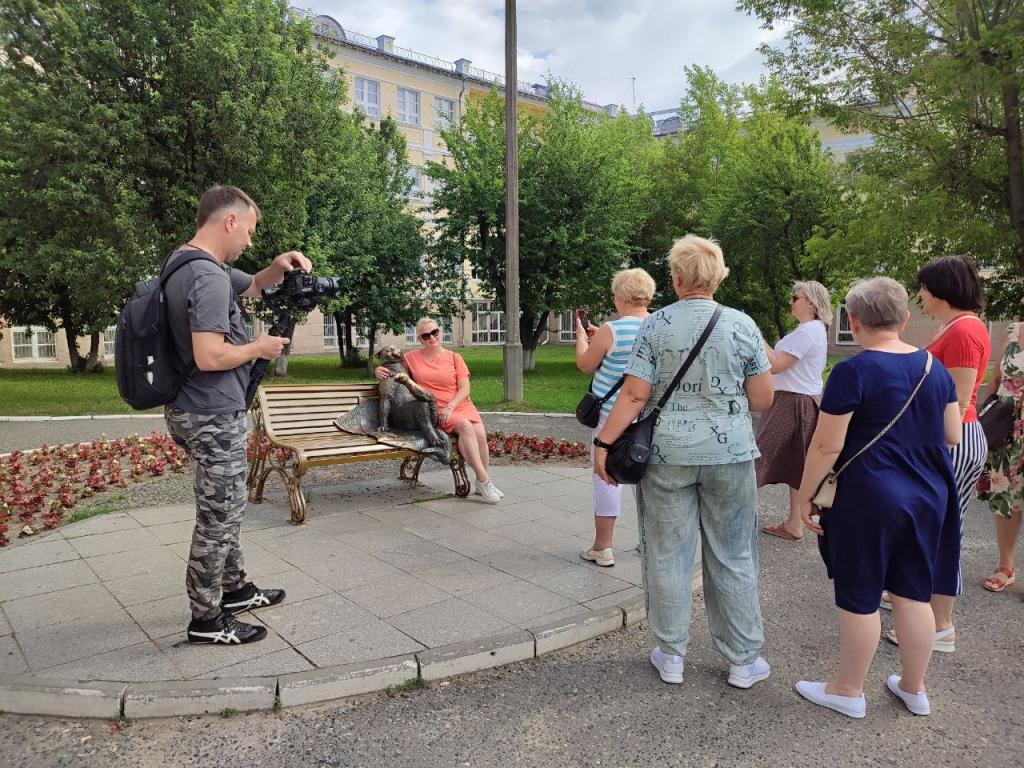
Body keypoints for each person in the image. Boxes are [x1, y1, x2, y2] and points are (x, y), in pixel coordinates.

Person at [593, 235, 775, 690]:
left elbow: (634, 393)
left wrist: (604, 443)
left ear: (675, 279)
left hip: (666, 455)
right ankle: (742, 660)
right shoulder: (742, 324)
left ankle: (671, 654)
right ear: (718, 277)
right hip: (730, 455)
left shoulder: (656, 326)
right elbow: (763, 396)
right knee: (733, 554)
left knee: (668, 552)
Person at [793, 277, 962, 719]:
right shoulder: (934, 367)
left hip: (868, 497)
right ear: (905, 319)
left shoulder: (853, 371)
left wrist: (807, 496)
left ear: (853, 321)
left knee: (861, 593)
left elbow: (827, 445)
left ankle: (848, 690)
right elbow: (951, 434)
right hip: (928, 495)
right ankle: (914, 687)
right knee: (912, 593)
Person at [164, 185, 311, 645]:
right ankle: (206, 619)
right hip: (209, 411)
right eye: (247, 231)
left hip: (196, 407)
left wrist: (277, 267)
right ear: (229, 221)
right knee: (219, 516)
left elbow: (252, 284)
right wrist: (259, 348)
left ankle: (236, 590)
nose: (249, 241)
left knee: (225, 506)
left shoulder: (187, 263)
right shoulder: (205, 278)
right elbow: (209, 355)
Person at [884, 256, 990, 652]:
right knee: (938, 528)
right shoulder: (960, 326)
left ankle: (939, 625)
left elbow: (959, 402)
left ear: (942, 289)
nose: (921, 296)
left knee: (944, 532)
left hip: (953, 440)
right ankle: (927, 613)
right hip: (952, 439)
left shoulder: (964, 331)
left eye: (925, 288)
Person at [575, 268, 656, 567]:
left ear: (621, 297)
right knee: (645, 479)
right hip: (646, 419)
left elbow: (586, 364)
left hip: (610, 419)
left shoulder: (612, 329)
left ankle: (603, 547)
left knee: (606, 478)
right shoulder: (659, 327)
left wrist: (583, 337)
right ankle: (648, 543)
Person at [375, 317, 502, 503]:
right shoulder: (410, 358)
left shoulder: (454, 357)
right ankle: (484, 481)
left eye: (434, 332)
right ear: (420, 339)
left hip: (459, 404)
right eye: (426, 335)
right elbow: (390, 364)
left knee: (480, 434)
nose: (432, 337)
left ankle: (481, 482)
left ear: (440, 332)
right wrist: (377, 370)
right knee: (466, 427)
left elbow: (465, 388)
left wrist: (452, 406)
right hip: (436, 408)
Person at [757, 281, 832, 542]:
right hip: (802, 399)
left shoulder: (808, 331)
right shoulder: (813, 329)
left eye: (796, 297)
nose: (791, 301)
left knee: (757, 457)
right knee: (796, 462)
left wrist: (756, 335)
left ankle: (732, 518)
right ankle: (793, 524)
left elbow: (777, 365)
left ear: (811, 302)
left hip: (791, 402)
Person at [975, 299, 1024, 595]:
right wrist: (987, 423)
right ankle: (1006, 565)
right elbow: (995, 379)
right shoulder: (1012, 331)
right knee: (1006, 495)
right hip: (1007, 428)